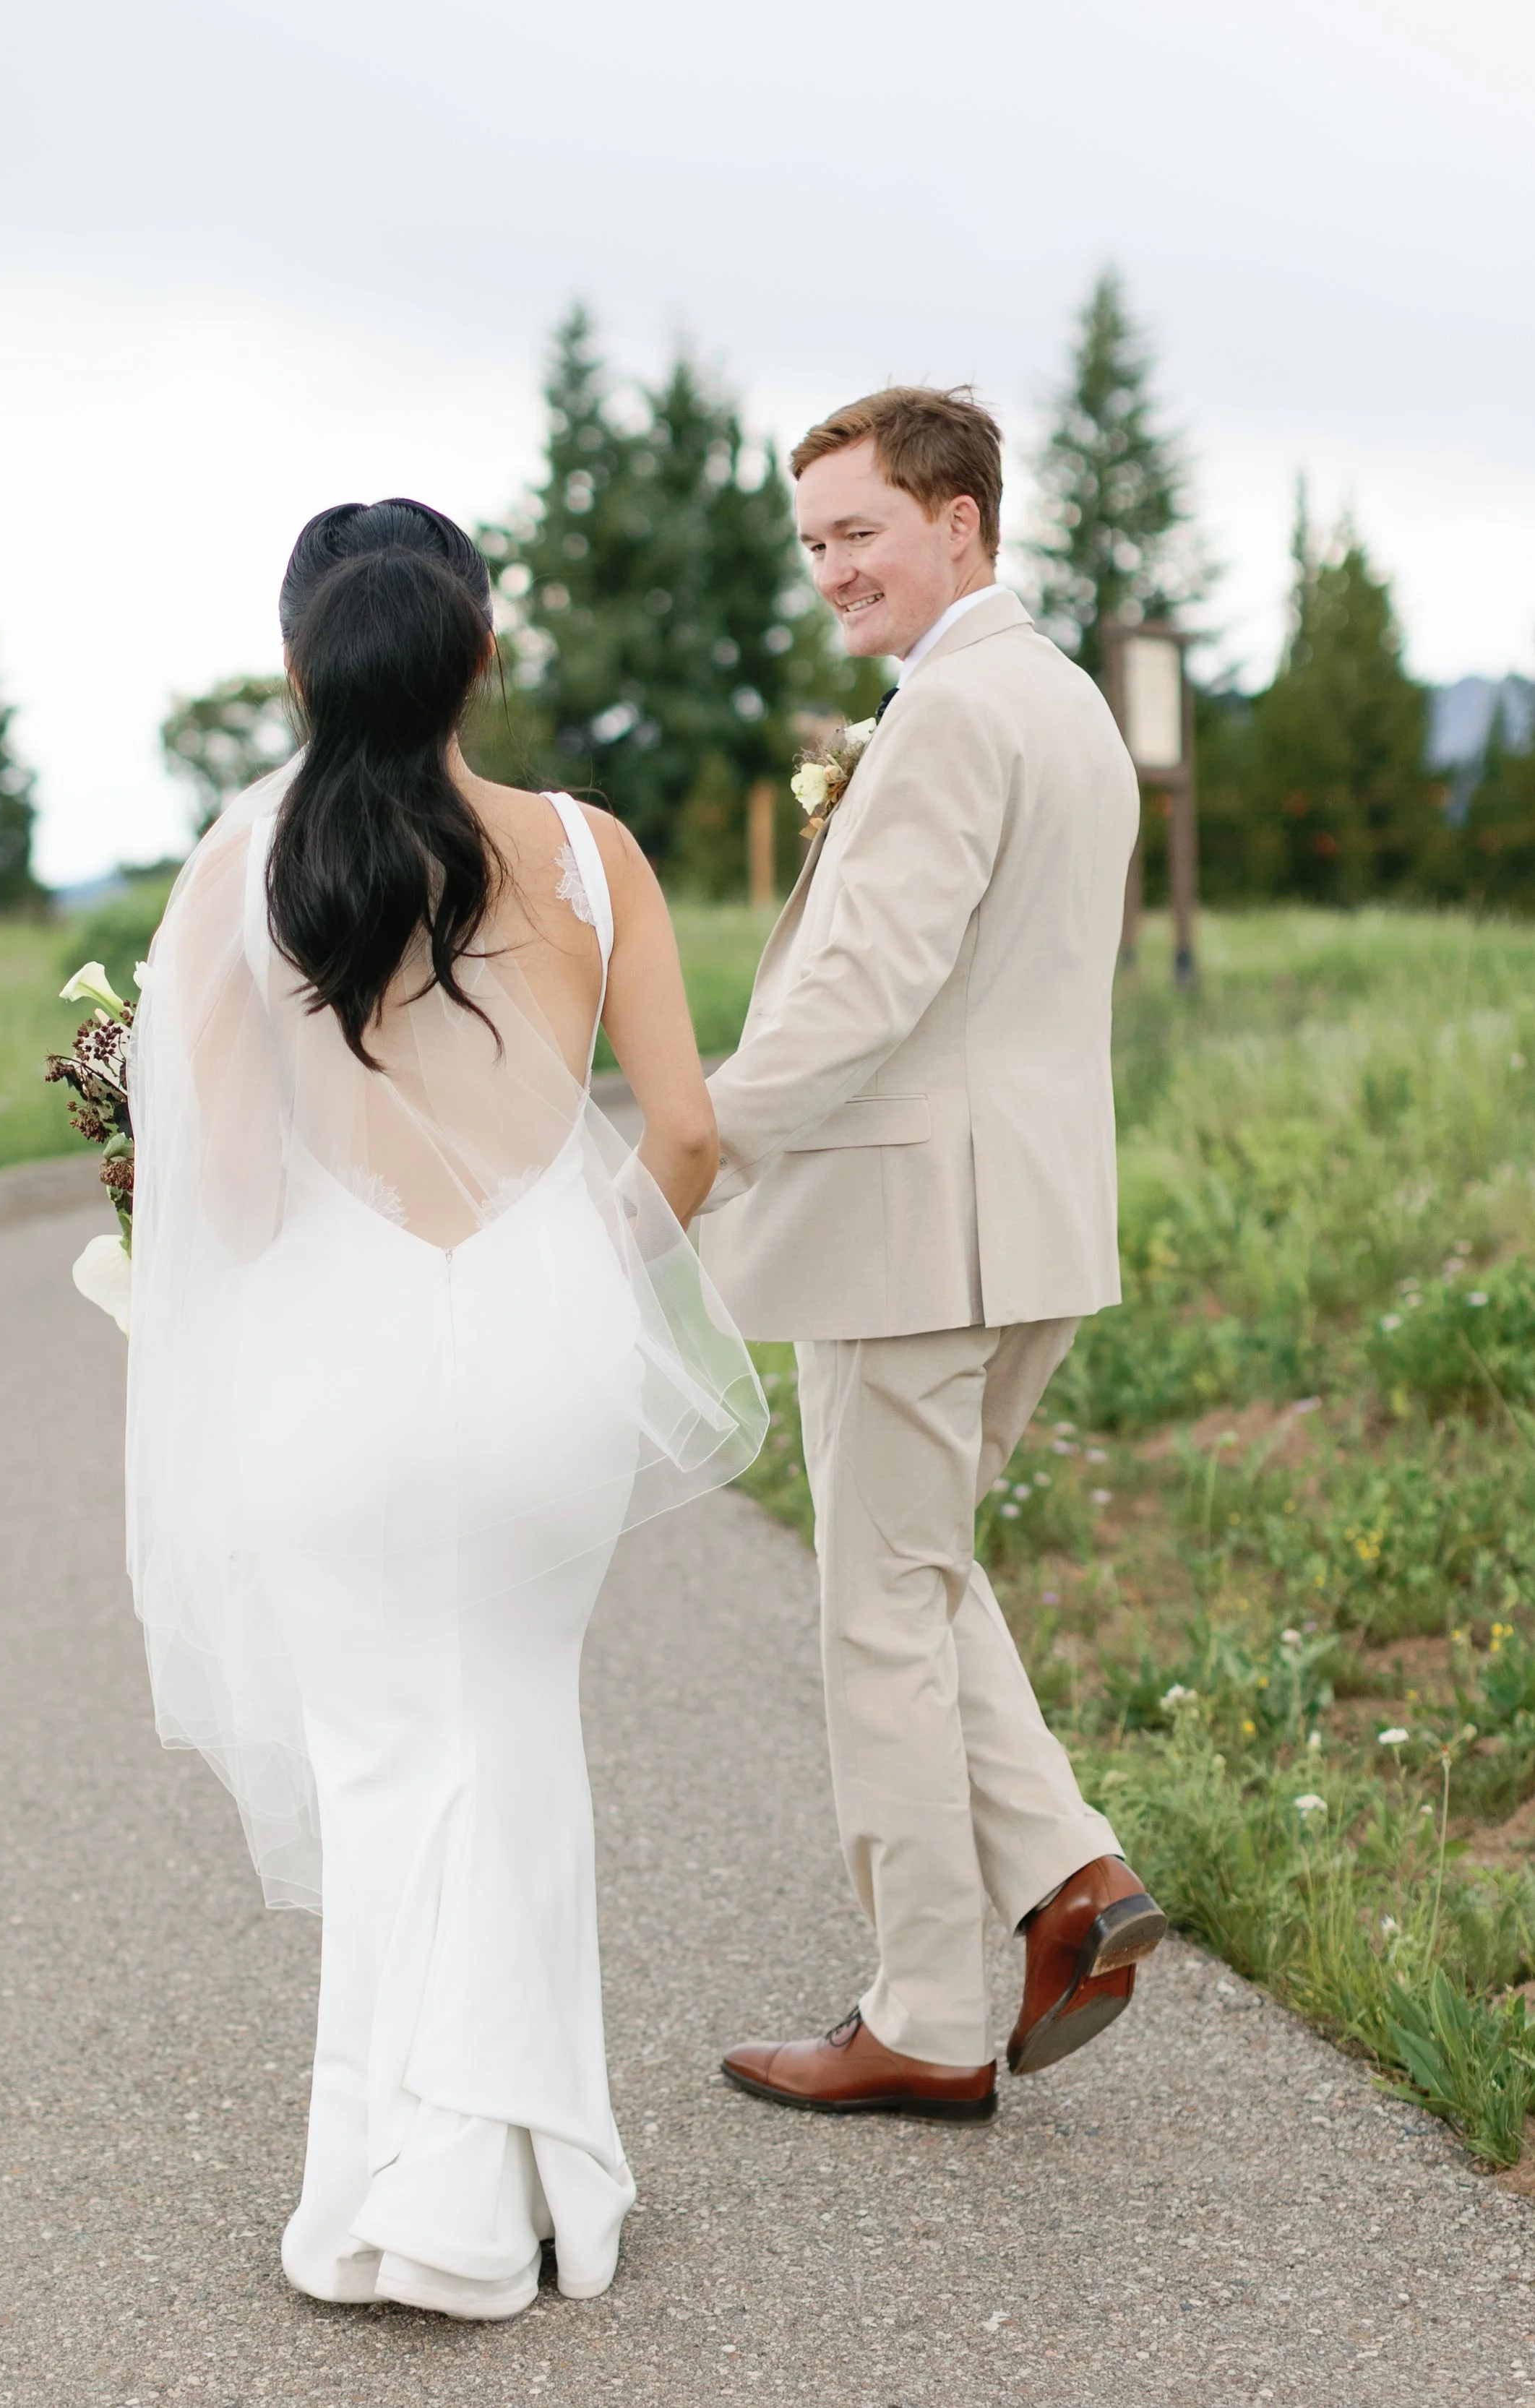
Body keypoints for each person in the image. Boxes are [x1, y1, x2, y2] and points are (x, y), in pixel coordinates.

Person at [123, 500, 765, 2317]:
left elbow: (229, 1197)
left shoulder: (240, 867)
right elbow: (691, 1130)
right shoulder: (587, 849)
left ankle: (400, 2185)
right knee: (513, 1723)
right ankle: (539, 2179)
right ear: (484, 653)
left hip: (333, 1363)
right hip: (537, 1366)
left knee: (384, 1750)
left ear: (297, 664)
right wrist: (577, 1283)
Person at [697, 388, 1167, 2122]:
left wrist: (706, 1135)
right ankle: (1068, 1880)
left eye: (858, 531)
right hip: (1030, 1216)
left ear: (957, 519)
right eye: (811, 540)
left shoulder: (953, 714)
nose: (829, 569)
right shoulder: (1062, 707)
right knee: (920, 1573)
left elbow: (864, 988)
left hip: (913, 1232)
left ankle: (921, 2013)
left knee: (876, 1617)